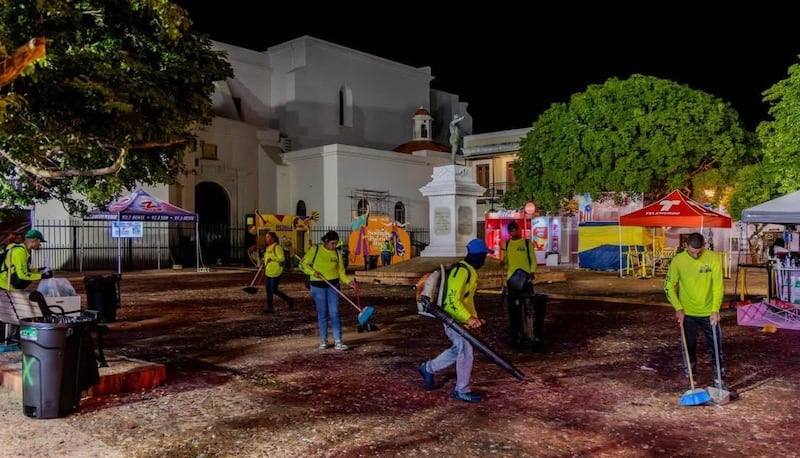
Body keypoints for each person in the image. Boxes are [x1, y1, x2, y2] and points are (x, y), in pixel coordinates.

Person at [418, 238, 493, 403]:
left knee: (457, 349)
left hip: (457, 319)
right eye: (484, 255)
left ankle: (428, 368)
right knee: (465, 351)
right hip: (451, 318)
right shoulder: (462, 272)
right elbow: (451, 301)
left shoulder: (468, 271)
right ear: (478, 256)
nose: (485, 259)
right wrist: (468, 318)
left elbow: (466, 299)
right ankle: (462, 390)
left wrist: (473, 318)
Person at [664, 232, 733, 394]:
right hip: (687, 313)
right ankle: (691, 378)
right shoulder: (678, 261)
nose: (696, 255)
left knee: (716, 346)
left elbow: (718, 286)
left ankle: (718, 379)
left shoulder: (713, 258)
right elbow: (668, 286)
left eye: (699, 252)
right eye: (693, 252)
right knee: (688, 346)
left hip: (709, 312)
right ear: (686, 246)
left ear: (704, 246)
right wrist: (678, 307)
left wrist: (716, 309)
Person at [300, 230, 354, 351]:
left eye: (336, 244)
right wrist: (313, 272)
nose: (334, 246)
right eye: (332, 243)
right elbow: (303, 265)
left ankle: (338, 341)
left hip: (333, 285)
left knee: (334, 313)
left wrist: (348, 281)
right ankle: (323, 340)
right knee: (322, 313)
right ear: (326, 241)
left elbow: (340, 271)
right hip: (317, 286)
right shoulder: (315, 249)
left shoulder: (337, 253)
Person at [501, 221, 541, 350]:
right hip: (512, 279)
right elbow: (505, 260)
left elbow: (533, 258)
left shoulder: (526, 243)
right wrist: (502, 263)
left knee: (529, 306)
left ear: (519, 229)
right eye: (512, 230)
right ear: (509, 232)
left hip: (525, 279)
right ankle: (516, 333)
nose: (514, 232)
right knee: (513, 309)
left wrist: (532, 271)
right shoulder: (506, 244)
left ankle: (531, 333)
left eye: (516, 229)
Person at [262, 231, 294, 314]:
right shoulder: (268, 247)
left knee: (273, 290)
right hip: (268, 272)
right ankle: (270, 308)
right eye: (266, 237)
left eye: (268, 237)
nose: (266, 239)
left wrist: (272, 258)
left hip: (275, 271)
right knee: (269, 291)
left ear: (273, 238)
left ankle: (288, 299)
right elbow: (267, 259)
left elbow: (282, 258)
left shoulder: (277, 247)